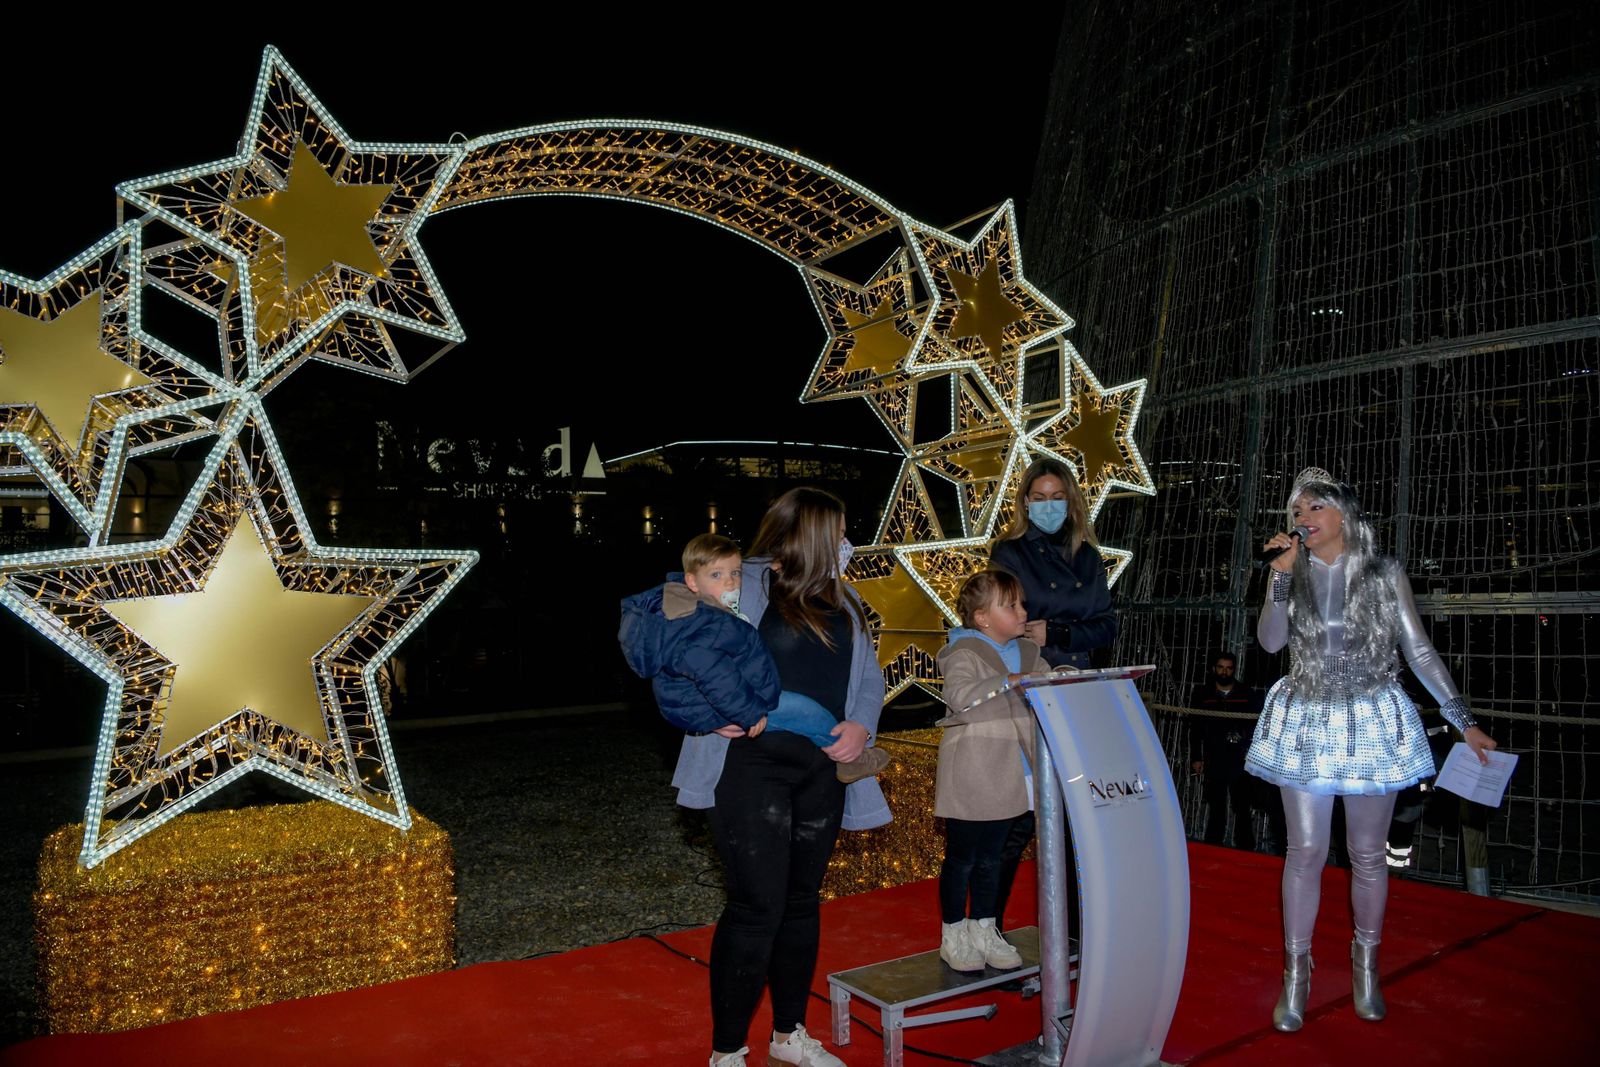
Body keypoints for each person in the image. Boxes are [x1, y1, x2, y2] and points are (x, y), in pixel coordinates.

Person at [1247, 467, 1497, 1032]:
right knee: (1304, 851)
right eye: (1297, 511)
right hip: (1308, 719)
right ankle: (1296, 975)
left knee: (1366, 853)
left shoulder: (1384, 572)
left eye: (1315, 507)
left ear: (1344, 514)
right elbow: (1270, 641)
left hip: (1370, 720)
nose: (1303, 518)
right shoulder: (1291, 571)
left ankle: (1366, 967)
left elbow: (1418, 650)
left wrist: (1464, 721)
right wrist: (1279, 579)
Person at [668, 491, 890, 1067]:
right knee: (756, 906)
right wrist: (706, 710)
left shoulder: (845, 598)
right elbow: (674, 639)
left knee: (800, 902)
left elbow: (868, 678)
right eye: (838, 531)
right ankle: (727, 1051)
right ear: (809, 533)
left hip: (821, 773)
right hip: (747, 770)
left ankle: (789, 1035)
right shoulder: (742, 581)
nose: (846, 542)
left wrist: (862, 726)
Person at [619, 532, 890, 784]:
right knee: (804, 711)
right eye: (716, 575)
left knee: (796, 716)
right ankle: (850, 758)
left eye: (735, 573)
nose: (729, 582)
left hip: (718, 700)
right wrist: (748, 713)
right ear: (691, 581)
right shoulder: (700, 620)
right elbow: (714, 673)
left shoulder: (705, 609)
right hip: (718, 704)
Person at [987, 457, 1118, 934]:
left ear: (1071, 501)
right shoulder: (1010, 552)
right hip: (1029, 688)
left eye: (1057, 497)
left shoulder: (1089, 556)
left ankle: (1079, 929)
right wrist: (1032, 635)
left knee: (1077, 814)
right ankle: (987, 927)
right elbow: (997, 619)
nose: (1049, 506)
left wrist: (1058, 631)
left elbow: (1106, 626)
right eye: (1039, 498)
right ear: (1025, 502)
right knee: (1018, 817)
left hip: (1077, 689)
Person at [934, 570, 1052, 972]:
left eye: (1021, 604)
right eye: (1011, 605)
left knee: (993, 858)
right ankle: (953, 932)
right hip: (975, 771)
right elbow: (959, 694)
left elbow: (1052, 684)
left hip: (1017, 774)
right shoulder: (962, 652)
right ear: (982, 618)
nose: (1023, 612)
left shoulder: (1030, 652)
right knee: (963, 858)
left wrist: (1064, 679)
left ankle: (984, 927)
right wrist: (1009, 680)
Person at [1187, 651, 1263, 850]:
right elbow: (1195, 728)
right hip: (1214, 756)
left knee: (1242, 805)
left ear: (1234, 670)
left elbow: (1256, 727)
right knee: (1216, 805)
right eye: (1221, 667)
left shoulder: (1247, 694)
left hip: (1240, 758)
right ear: (1214, 668)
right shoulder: (1202, 694)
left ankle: (1246, 849)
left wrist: (1250, 750)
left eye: (1228, 668)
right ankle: (1213, 848)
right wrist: (1196, 757)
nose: (1224, 672)